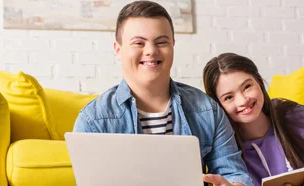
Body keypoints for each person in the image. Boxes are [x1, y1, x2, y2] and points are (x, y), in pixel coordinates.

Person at [72, 1, 253, 186]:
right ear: (118, 50)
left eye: (161, 42)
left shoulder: (208, 110)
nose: (151, 51)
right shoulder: (93, 120)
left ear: (173, 45)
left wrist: (235, 184)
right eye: (139, 43)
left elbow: (234, 173)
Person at [202, 53, 304, 186]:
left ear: (259, 82)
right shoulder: (225, 152)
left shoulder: (301, 118)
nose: (243, 101)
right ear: (218, 105)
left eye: (247, 87)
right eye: (229, 97)